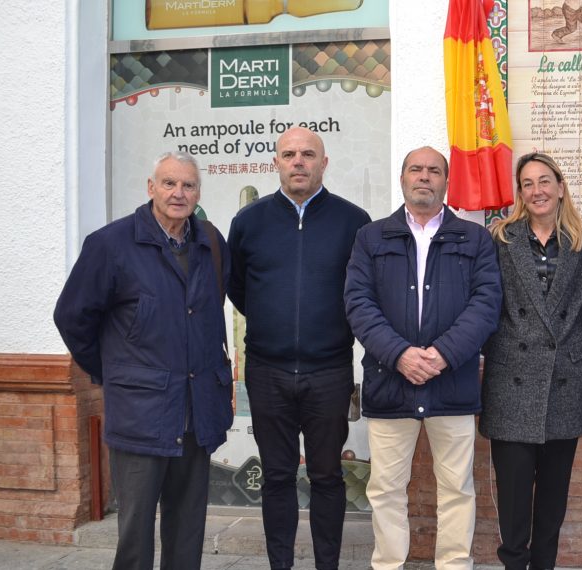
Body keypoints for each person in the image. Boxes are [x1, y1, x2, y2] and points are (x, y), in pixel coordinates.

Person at [53, 152, 233, 570]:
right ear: (151, 188)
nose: (178, 193)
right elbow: (72, 317)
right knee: (135, 533)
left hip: (196, 409)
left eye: (188, 185)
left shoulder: (211, 243)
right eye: (169, 183)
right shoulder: (110, 245)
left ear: (198, 193)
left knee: (187, 528)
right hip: (141, 412)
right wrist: (112, 371)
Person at [344, 146, 502, 570]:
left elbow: (486, 304)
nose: (424, 177)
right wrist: (399, 354)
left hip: (451, 384)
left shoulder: (475, 238)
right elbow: (358, 303)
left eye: (434, 171)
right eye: (416, 169)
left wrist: (442, 354)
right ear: (402, 178)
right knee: (386, 488)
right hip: (389, 381)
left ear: (446, 182)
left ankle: (454, 565)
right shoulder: (371, 237)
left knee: (456, 487)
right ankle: (389, 565)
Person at [227, 127, 371, 570]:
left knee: (328, 476)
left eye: (308, 154)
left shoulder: (353, 221)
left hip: (328, 371)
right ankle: (281, 565)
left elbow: (361, 290)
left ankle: (327, 564)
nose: (298, 162)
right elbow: (238, 289)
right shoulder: (249, 222)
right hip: (267, 371)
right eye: (289, 154)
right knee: (276, 476)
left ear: (324, 163)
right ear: (276, 162)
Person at [479, 152, 582, 570]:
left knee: (552, 503)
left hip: (563, 385)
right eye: (527, 183)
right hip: (511, 381)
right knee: (513, 506)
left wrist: (568, 353)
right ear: (520, 193)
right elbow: (487, 307)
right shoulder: (500, 238)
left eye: (544, 181)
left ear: (560, 187)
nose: (537, 191)